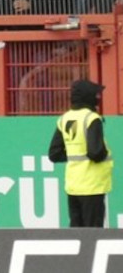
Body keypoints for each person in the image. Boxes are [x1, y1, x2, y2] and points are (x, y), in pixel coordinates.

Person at [48, 79, 113, 227]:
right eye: (96, 95)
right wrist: (103, 154)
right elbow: (95, 152)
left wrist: (74, 153)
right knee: (93, 232)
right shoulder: (91, 118)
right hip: (92, 185)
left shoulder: (65, 118)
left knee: (76, 231)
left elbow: (54, 154)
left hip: (73, 185)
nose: (98, 98)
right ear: (88, 96)